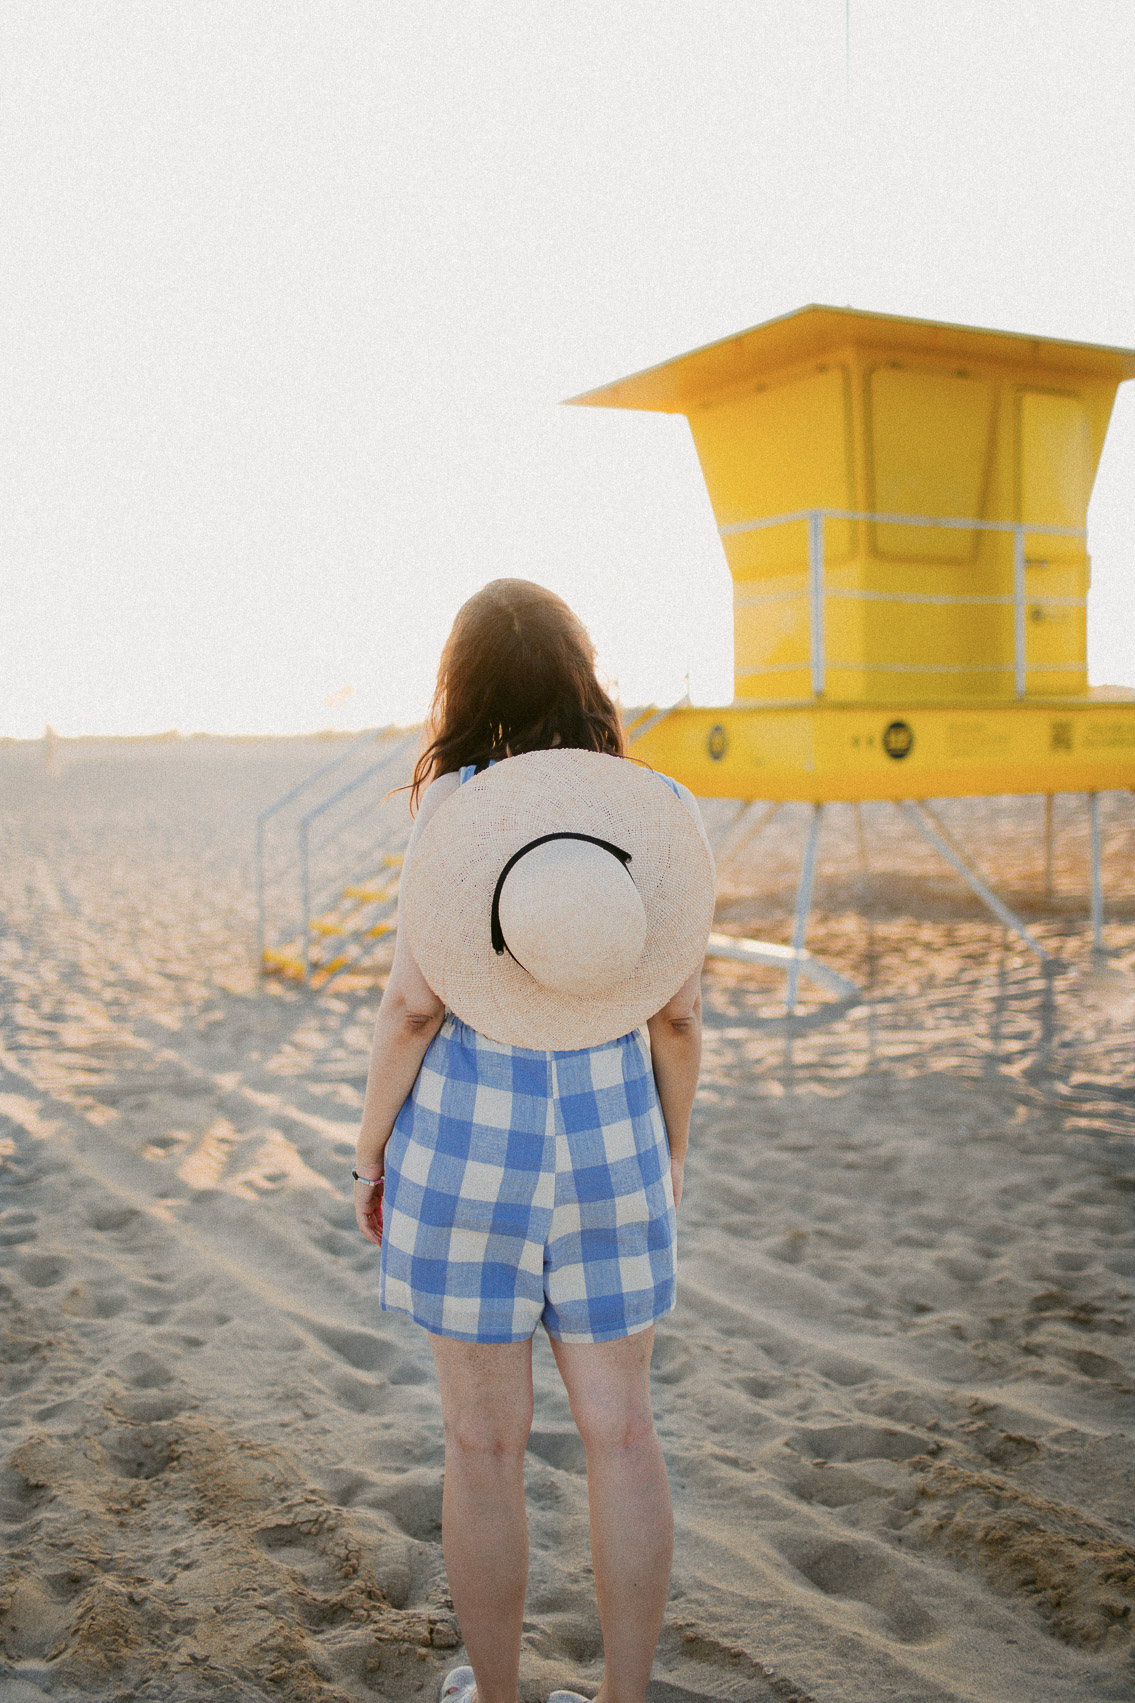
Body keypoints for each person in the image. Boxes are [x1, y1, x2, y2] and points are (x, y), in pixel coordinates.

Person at [353, 579, 714, 1703]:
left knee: (484, 1445)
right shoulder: (651, 807)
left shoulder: (454, 809)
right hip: (610, 1145)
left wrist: (370, 1153)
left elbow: (414, 1005)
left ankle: (498, 1694)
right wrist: (668, 1152)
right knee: (620, 1433)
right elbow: (680, 1015)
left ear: (461, 685)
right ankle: (623, 1697)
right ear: (581, 672)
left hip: (468, 1152)